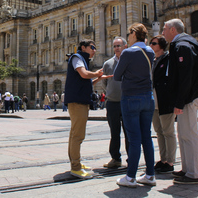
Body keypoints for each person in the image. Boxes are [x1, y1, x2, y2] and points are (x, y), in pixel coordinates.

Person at [162, 18, 198, 185]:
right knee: (184, 134)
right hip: (187, 96)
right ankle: (187, 169)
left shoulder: (182, 46)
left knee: (190, 135)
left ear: (173, 30)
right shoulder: (182, 43)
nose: (163, 32)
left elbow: (185, 77)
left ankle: (194, 174)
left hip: (189, 97)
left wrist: (179, 102)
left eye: (165, 28)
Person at [114, 23, 156, 188]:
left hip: (131, 97)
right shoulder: (150, 51)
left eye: (129, 34)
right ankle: (150, 175)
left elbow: (117, 76)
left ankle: (130, 177)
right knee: (147, 136)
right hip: (148, 97)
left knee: (134, 138)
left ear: (133, 34)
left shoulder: (128, 52)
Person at [64, 39, 109, 179]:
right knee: (78, 135)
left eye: (95, 47)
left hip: (77, 100)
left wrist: (98, 78)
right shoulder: (77, 57)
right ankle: (75, 167)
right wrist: (96, 74)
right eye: (92, 47)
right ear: (83, 47)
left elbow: (85, 81)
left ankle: (75, 162)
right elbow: (84, 74)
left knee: (74, 134)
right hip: (78, 102)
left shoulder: (81, 59)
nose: (94, 50)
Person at [150, 35, 177, 174]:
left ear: (161, 45)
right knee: (159, 132)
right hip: (154, 100)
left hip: (165, 99)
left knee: (168, 132)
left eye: (153, 43)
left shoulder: (168, 59)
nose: (151, 45)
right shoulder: (153, 60)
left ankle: (170, 161)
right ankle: (163, 159)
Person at [102, 36, 129, 169]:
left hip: (127, 101)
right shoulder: (107, 64)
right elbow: (104, 82)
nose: (116, 48)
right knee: (114, 132)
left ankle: (131, 158)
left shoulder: (129, 62)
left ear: (125, 46)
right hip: (112, 102)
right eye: (114, 46)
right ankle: (115, 158)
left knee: (129, 131)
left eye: (119, 45)